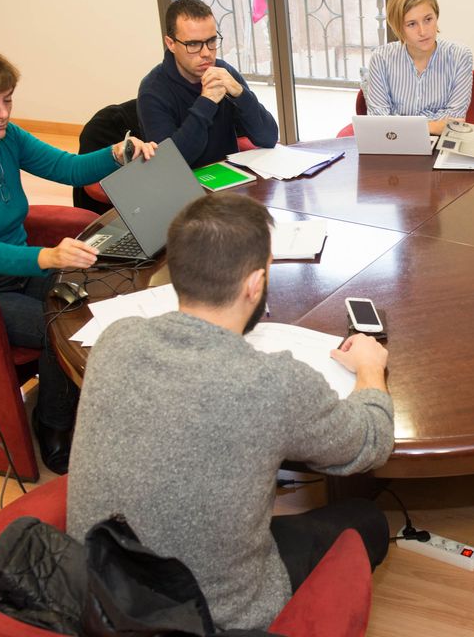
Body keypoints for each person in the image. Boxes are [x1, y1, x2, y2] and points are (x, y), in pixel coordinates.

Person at [67, 193, 394, 632]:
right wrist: (371, 369)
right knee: (367, 521)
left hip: (102, 595)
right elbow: (371, 442)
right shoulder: (273, 382)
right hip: (212, 619)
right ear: (255, 283)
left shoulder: (115, 339)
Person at [0, 47, 155, 474]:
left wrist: (118, 153)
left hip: (15, 269)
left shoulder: (5, 139)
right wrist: (48, 256)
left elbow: (70, 168)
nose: (2, 113)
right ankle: (53, 426)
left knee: (101, 296)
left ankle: (86, 402)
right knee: (57, 326)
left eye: (7, 100)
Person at [138, 0, 278, 168]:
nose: (206, 53)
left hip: (231, 180)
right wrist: (206, 102)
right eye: (194, 44)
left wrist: (241, 94)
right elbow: (169, 164)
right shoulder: (153, 91)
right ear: (171, 44)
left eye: (211, 41)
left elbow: (269, 137)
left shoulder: (224, 72)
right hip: (187, 188)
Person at [363, 0, 473, 135]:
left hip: (439, 147)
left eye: (428, 19)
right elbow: (378, 121)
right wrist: (435, 125)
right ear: (397, 27)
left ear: (436, 16)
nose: (423, 31)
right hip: (394, 145)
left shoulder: (460, 56)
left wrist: (399, 124)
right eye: (412, 24)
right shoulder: (381, 58)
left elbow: (455, 120)